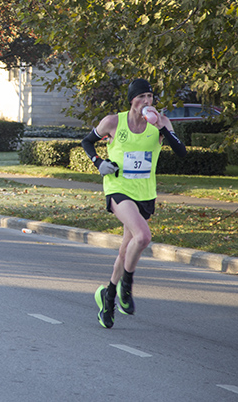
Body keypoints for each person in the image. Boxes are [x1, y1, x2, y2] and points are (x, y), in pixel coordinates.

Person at [82, 78, 187, 329]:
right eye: (142, 97)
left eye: (150, 97)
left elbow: (181, 152)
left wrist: (162, 129)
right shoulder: (113, 122)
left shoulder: (160, 122)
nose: (147, 102)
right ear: (132, 100)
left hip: (145, 194)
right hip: (118, 189)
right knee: (142, 237)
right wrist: (98, 163)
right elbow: (87, 142)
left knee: (125, 250)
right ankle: (126, 288)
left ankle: (107, 296)